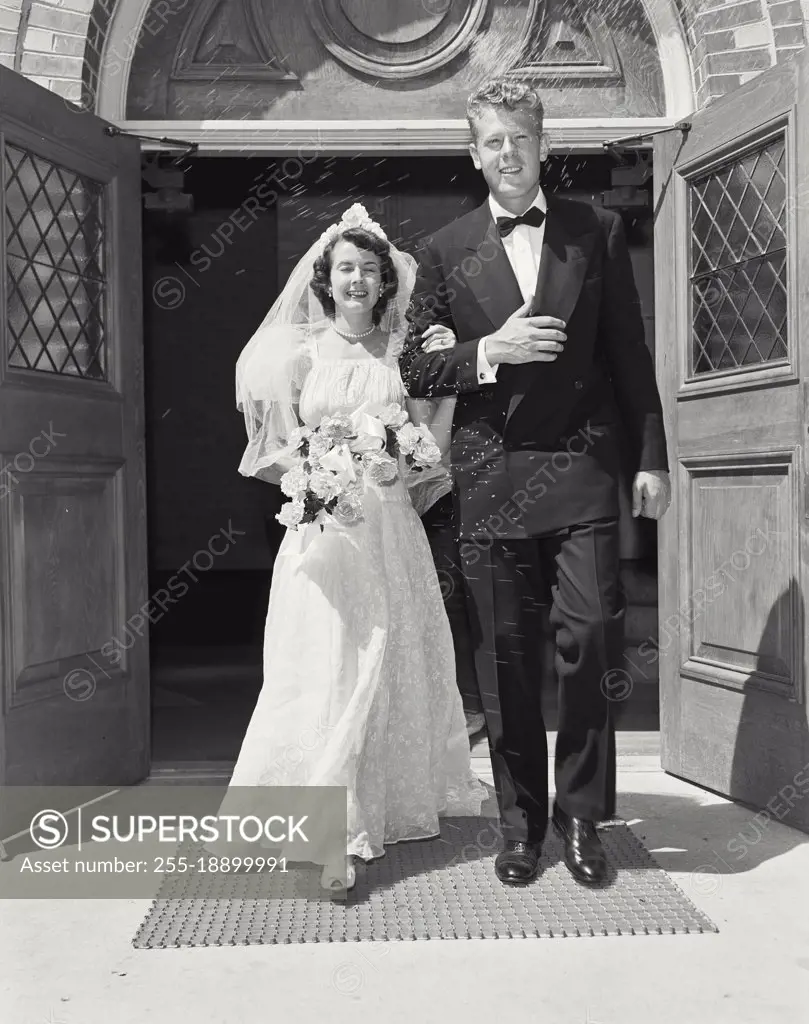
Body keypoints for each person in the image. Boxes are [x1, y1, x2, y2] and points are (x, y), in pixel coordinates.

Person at [400, 79, 671, 887]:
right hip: (489, 481)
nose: (507, 153)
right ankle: (518, 827)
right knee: (508, 664)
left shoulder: (598, 229)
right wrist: (491, 352)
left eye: (520, 137)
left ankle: (582, 817)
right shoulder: (443, 250)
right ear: (473, 153)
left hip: (583, 470)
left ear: (543, 144)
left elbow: (627, 353)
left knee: (588, 642)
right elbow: (416, 362)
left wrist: (649, 458)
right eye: (491, 141)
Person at [225, 203, 485, 892]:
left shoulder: (404, 351)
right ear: (325, 278)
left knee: (382, 660)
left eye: (370, 271)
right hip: (321, 532)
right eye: (346, 269)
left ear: (385, 282)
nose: (358, 281)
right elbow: (269, 450)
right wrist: (313, 478)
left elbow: (432, 440)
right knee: (324, 665)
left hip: (390, 529)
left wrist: (403, 452)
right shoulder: (299, 355)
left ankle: (367, 807)